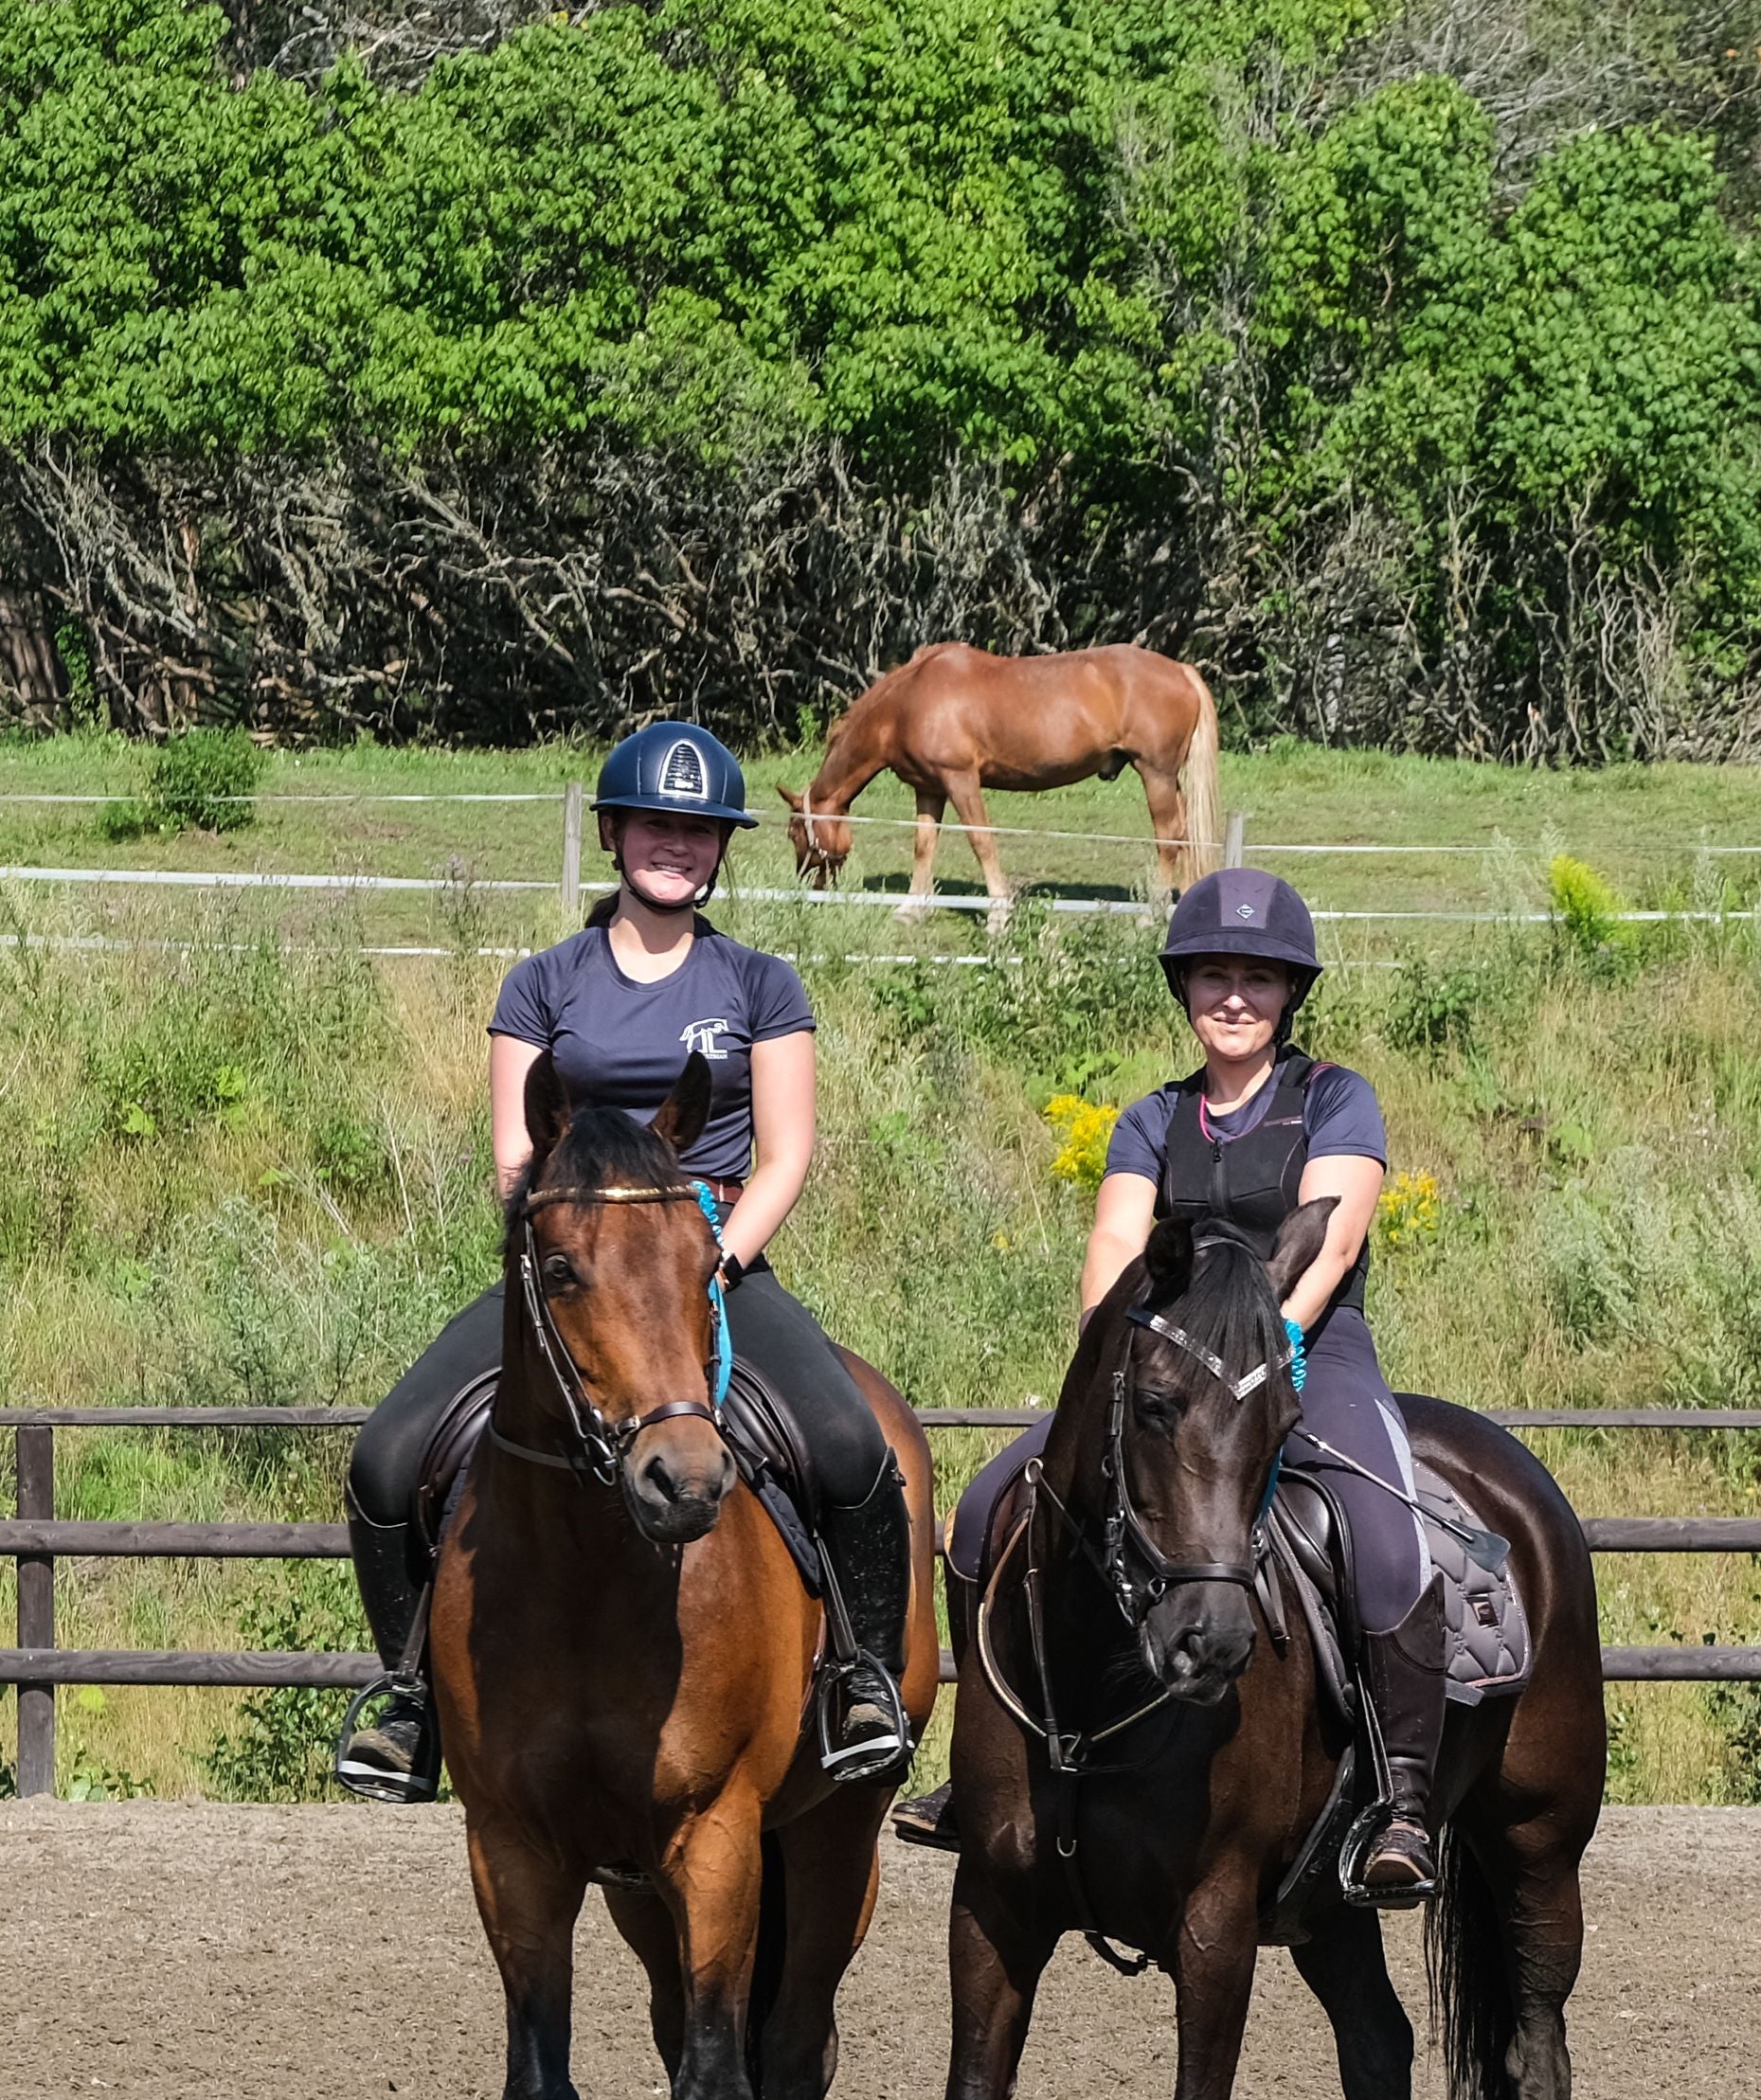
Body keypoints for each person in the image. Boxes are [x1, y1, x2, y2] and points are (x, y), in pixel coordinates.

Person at [333, 721, 915, 1801]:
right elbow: (516, 1152)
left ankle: (861, 1680)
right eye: (657, 823)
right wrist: (567, 1252)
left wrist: (718, 1262)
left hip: (713, 1262)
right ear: (612, 832)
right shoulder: (542, 982)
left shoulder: (761, 984)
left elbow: (787, 1151)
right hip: (569, 1276)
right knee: (385, 1454)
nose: (677, 846)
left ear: (721, 849)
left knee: (849, 1447)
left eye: (700, 831)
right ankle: (409, 1697)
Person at [890, 869, 1455, 1904]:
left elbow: (1328, 1241)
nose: (1233, 995)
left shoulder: (1333, 1095)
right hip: (1159, 1372)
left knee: (1385, 1532)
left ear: (1290, 992)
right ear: (1183, 988)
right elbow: (1112, 1246)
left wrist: (1255, 1356)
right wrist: (1123, 1357)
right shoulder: (1153, 1118)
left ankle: (1404, 1799)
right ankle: (985, 1770)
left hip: (1304, 1356)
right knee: (985, 1512)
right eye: (1212, 975)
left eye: (1256, 977)